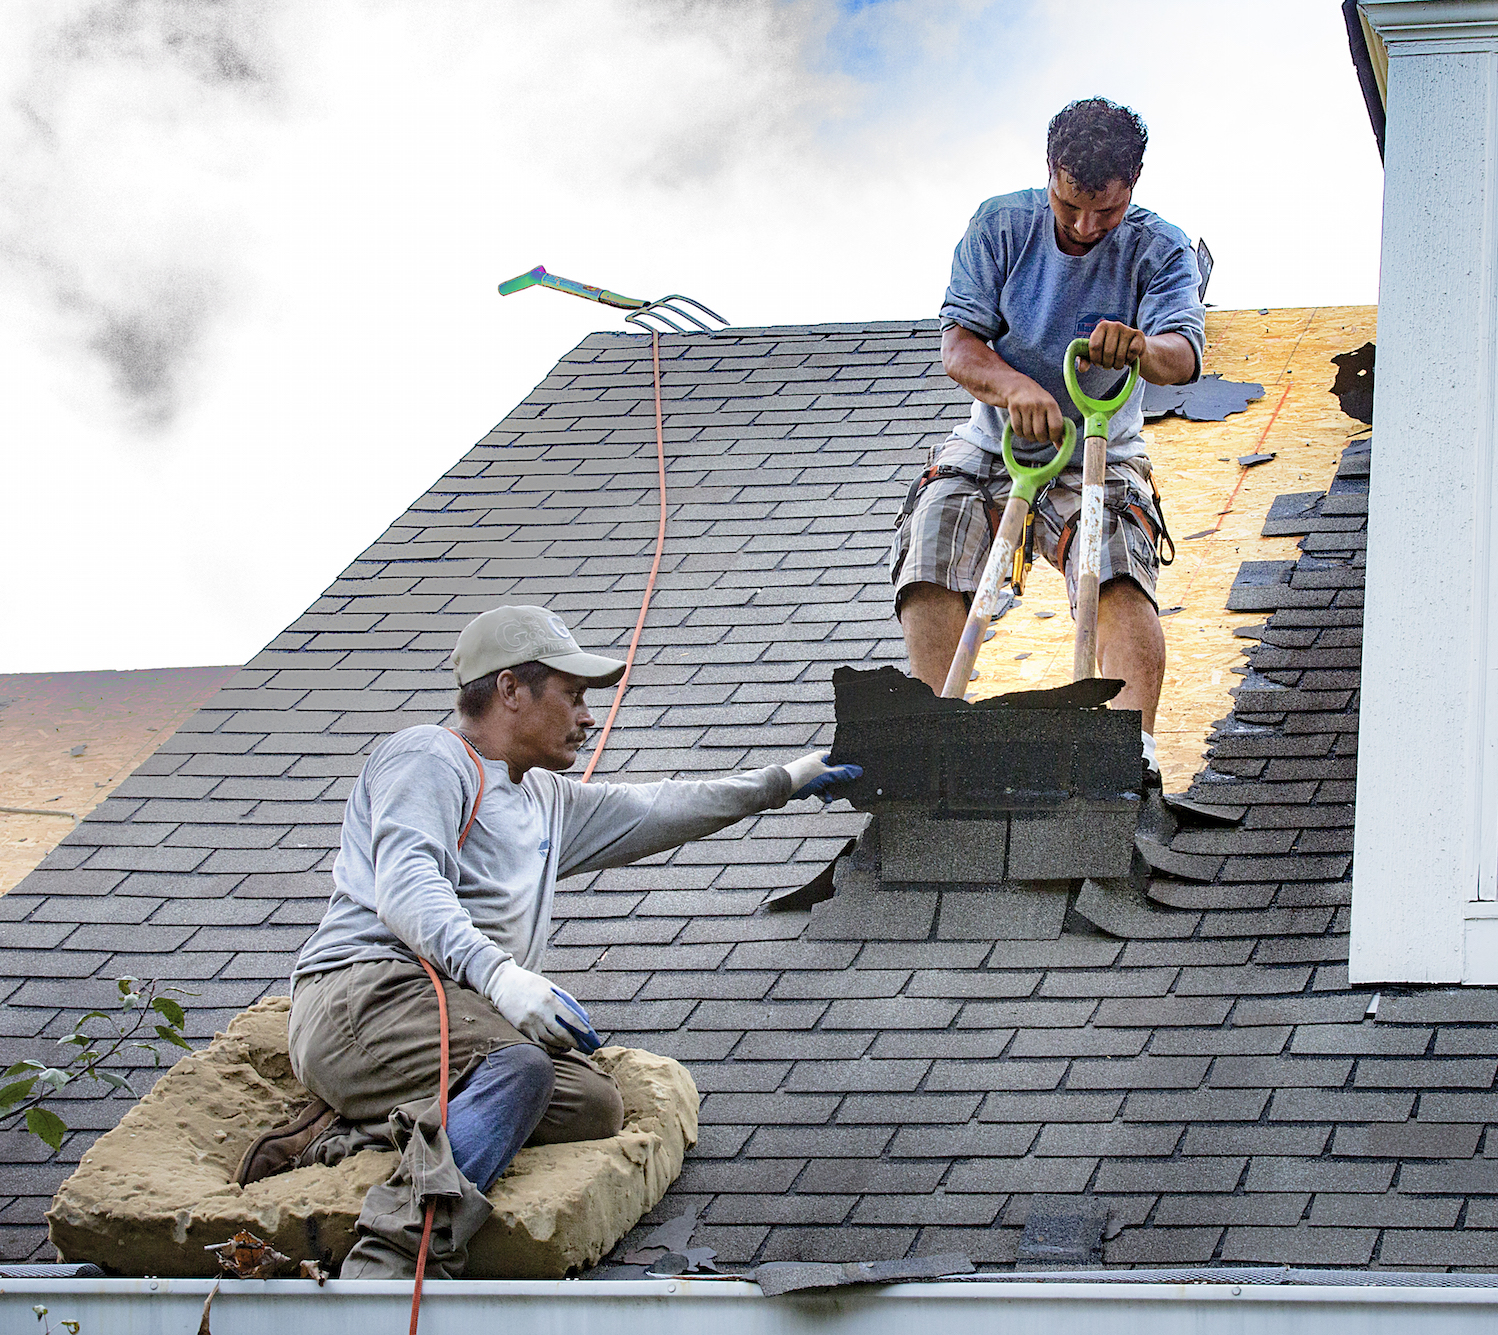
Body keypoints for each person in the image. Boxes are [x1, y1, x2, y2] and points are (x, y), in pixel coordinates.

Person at [242, 604, 857, 1278]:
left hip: (452, 1018)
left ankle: (342, 1129)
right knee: (520, 1068)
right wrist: (502, 976)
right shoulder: (430, 757)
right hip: (365, 995)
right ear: (510, 689)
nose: (587, 716)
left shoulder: (547, 801)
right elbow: (408, 887)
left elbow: (661, 806)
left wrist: (788, 779)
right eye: (572, 694)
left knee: (593, 1103)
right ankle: (398, 1248)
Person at [891, 97, 1206, 775]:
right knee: (933, 533)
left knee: (1117, 563)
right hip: (994, 439)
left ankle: (1129, 756)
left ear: (1135, 186)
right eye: (1070, 207)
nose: (1087, 226)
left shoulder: (1161, 248)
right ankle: (937, 739)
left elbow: (1182, 356)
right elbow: (958, 347)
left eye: (1108, 211)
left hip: (1101, 445)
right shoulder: (1000, 224)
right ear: (1049, 174)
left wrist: (1141, 348)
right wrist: (1015, 388)